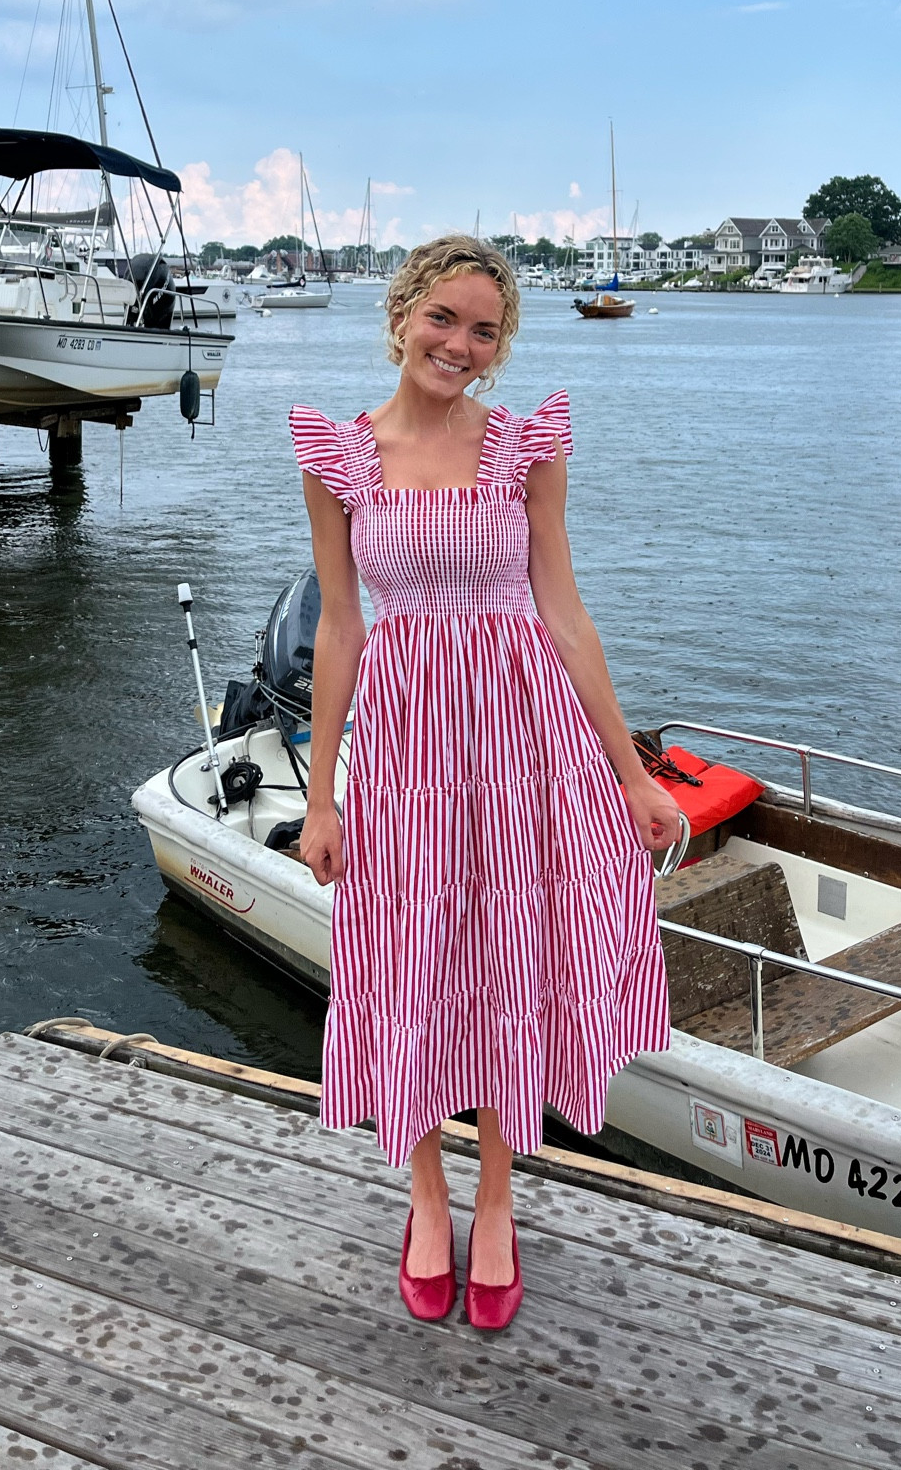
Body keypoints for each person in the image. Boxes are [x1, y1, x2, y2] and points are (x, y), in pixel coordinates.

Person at [290, 234, 679, 1333]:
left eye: (484, 330)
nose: (459, 344)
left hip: (525, 745)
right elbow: (340, 625)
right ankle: (425, 1192)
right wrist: (321, 795)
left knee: (513, 955)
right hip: (408, 752)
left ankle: (498, 1197)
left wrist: (631, 774)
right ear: (402, 314)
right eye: (444, 318)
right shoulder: (339, 457)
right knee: (410, 956)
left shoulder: (523, 448)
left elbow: (564, 612)